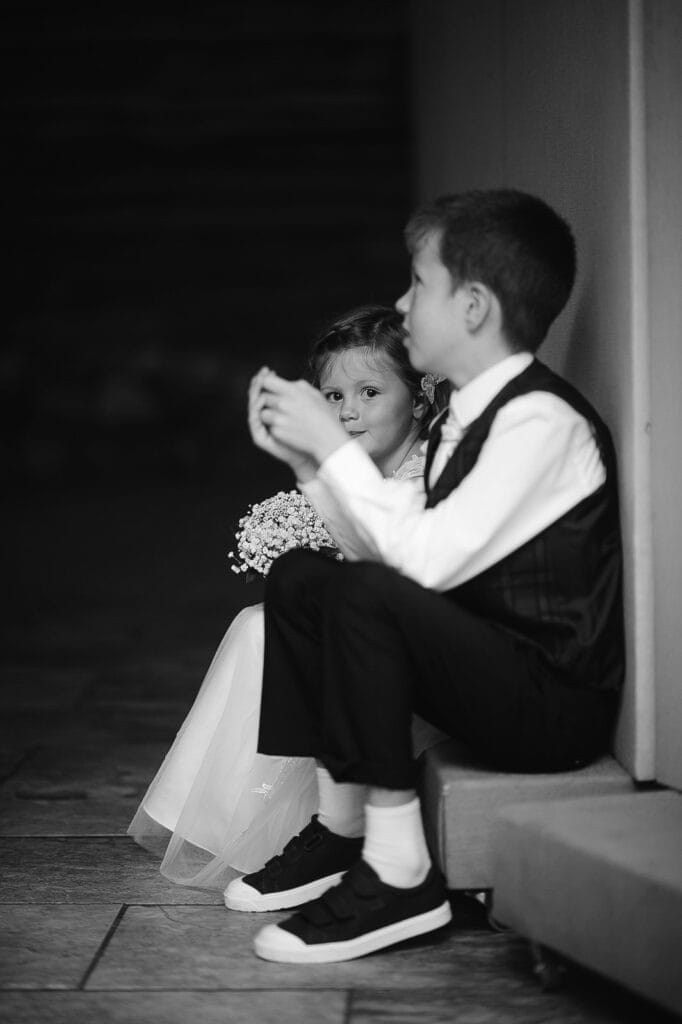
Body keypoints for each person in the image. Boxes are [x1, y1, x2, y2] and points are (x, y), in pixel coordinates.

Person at [237, 188, 625, 965]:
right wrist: (312, 466)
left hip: (550, 705)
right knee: (303, 575)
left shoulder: (539, 421)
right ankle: (345, 823)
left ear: (475, 307)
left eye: (419, 284)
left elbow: (419, 562)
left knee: (364, 588)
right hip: (488, 669)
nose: (402, 302)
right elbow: (386, 542)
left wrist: (336, 448)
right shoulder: (465, 417)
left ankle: (399, 873)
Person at [128, 305, 448, 890]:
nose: (348, 411)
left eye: (370, 391)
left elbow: (393, 573)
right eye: (332, 397)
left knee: (262, 627)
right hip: (365, 626)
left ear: (420, 400)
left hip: (409, 653)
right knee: (257, 623)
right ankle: (240, 822)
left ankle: (308, 826)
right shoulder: (350, 466)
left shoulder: (425, 473)